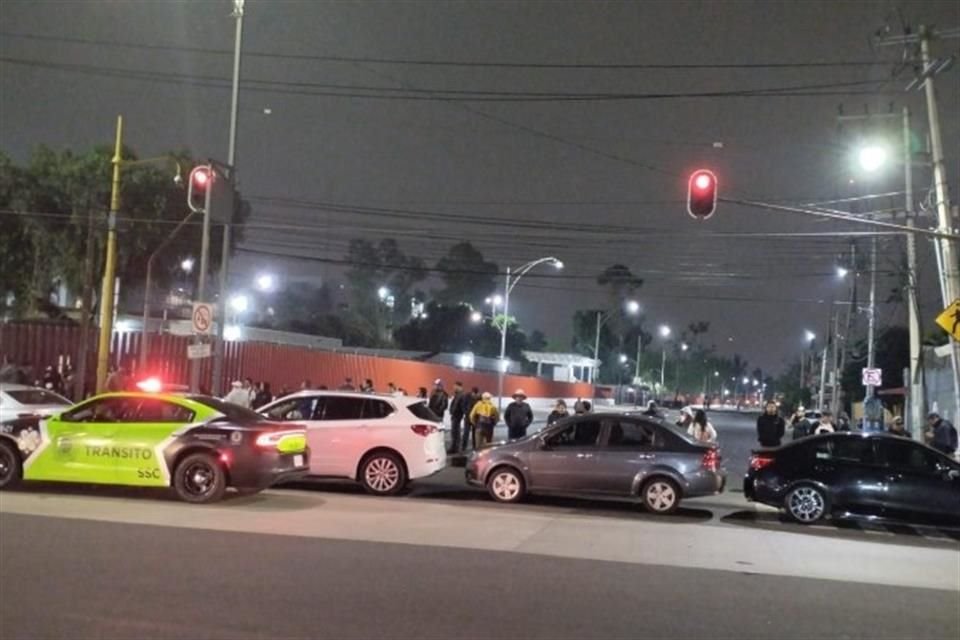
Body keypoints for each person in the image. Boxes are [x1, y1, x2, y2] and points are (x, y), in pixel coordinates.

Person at [461, 386, 480, 451]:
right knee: (466, 433)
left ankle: (474, 447)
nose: (475, 396)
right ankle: (463, 447)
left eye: (476, 394)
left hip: (475, 418)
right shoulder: (467, 396)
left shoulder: (480, 398)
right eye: (474, 394)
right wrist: (466, 413)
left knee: (474, 434)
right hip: (468, 417)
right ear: (472, 392)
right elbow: (463, 405)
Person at [448, 381, 466, 454]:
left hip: (457, 416)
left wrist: (461, 414)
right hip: (454, 415)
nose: (454, 388)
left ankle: (456, 448)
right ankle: (453, 447)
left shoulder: (461, 395)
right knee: (454, 432)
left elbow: (462, 406)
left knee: (456, 432)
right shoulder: (457, 395)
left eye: (455, 387)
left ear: (459, 387)